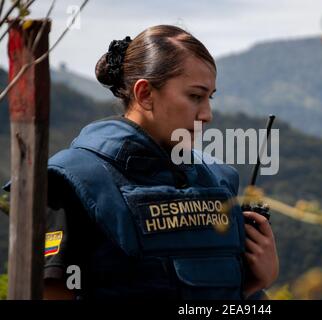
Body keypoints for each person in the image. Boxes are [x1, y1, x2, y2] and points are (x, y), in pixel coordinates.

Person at [42, 25, 279, 300]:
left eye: (210, 97)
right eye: (195, 96)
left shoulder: (219, 179)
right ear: (145, 94)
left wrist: (253, 284)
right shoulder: (74, 180)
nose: (207, 114)